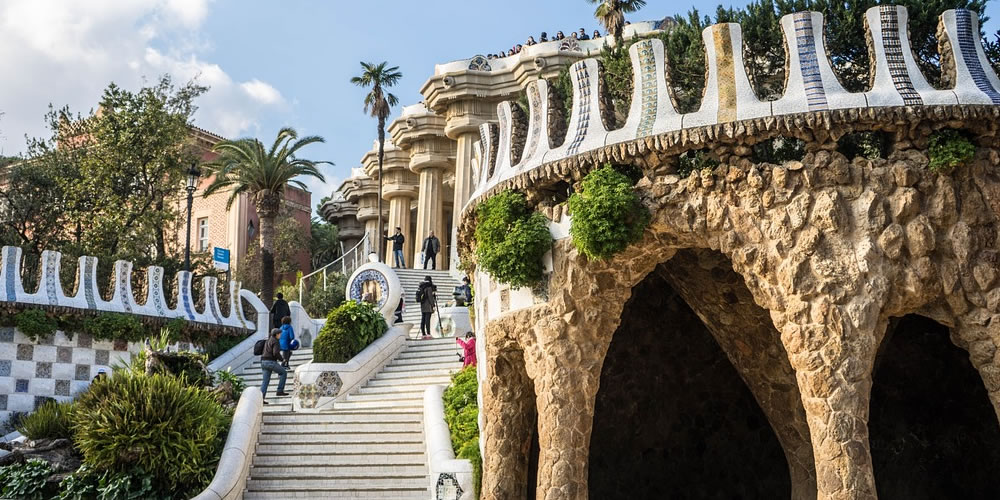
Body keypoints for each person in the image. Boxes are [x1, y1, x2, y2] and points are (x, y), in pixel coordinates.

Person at [260, 328, 289, 403]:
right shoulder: (275, 341)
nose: (280, 335)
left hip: (263, 362)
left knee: (265, 381)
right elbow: (275, 353)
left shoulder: (268, 340)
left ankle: (261, 399)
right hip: (270, 362)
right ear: (276, 334)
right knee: (283, 373)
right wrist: (282, 359)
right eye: (280, 334)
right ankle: (280, 390)